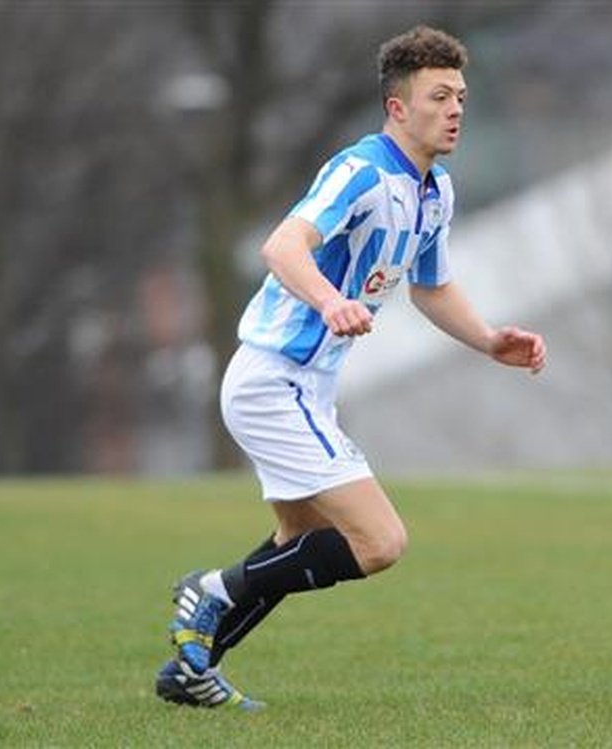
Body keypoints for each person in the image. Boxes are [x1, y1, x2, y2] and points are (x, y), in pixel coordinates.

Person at [155, 25, 546, 710]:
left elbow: (430, 286)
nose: (456, 109)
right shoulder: (361, 170)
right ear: (399, 108)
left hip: (307, 385)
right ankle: (210, 590)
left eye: (460, 96)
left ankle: (192, 666)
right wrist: (332, 301)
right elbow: (283, 245)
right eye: (439, 96)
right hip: (275, 378)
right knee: (379, 540)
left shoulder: (434, 191)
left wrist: (487, 340)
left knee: (297, 542)